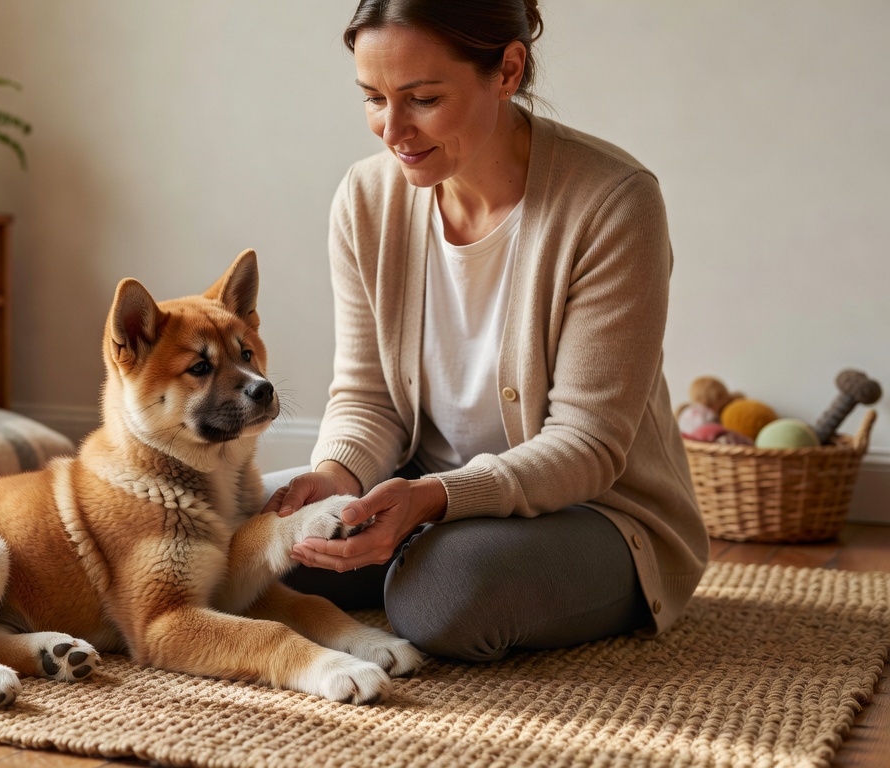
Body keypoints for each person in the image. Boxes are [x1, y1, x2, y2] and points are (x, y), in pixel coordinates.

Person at [262, 0, 709, 662]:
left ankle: (419, 559)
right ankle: (406, 552)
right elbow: (367, 394)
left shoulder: (614, 204)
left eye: (422, 99)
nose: (392, 129)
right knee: (229, 534)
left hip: (597, 513)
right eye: (373, 98)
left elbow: (587, 445)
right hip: (416, 485)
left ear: (507, 69)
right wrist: (338, 477)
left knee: (442, 597)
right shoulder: (366, 198)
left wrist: (438, 500)